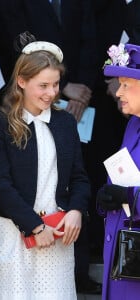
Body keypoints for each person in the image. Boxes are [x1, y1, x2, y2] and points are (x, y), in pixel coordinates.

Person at [0, 33, 90, 299]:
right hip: (14, 233)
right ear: (21, 81)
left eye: (55, 85)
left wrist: (76, 209)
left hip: (57, 232)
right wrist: (34, 226)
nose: (51, 93)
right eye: (43, 85)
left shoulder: (64, 122)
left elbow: (79, 176)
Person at [97, 42, 140, 300]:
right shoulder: (133, 125)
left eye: (127, 85)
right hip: (122, 255)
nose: (118, 92)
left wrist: (129, 197)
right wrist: (108, 197)